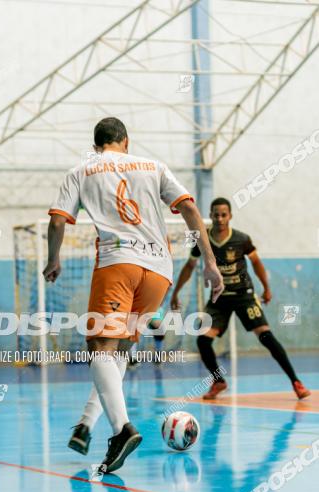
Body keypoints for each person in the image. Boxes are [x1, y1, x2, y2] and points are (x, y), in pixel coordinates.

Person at [43, 117, 223, 473]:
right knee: (121, 348)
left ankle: (121, 430)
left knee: (98, 348)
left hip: (118, 264)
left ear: (97, 145)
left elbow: (58, 221)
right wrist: (210, 264)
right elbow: (189, 208)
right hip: (159, 271)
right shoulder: (153, 165)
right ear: (125, 141)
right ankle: (86, 424)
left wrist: (53, 259)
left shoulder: (82, 170)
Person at [170, 197, 310, 400]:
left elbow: (256, 263)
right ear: (210, 216)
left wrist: (266, 288)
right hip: (219, 298)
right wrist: (175, 292)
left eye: (223, 214)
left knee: (266, 337)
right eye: (216, 214)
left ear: (230, 216)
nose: (220, 218)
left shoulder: (241, 239)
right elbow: (189, 267)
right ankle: (218, 381)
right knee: (202, 341)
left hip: (244, 295)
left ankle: (296, 381)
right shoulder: (203, 240)